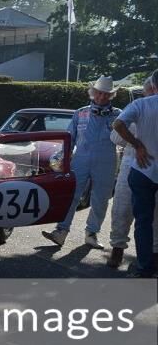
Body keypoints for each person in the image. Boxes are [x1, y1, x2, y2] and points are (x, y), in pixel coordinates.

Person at [43, 76, 121, 249]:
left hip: (107, 159)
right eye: (99, 93)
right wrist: (62, 156)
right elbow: (69, 137)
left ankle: (92, 234)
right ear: (93, 93)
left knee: (101, 198)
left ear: (111, 96)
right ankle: (61, 231)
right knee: (72, 195)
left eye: (106, 94)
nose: (102, 97)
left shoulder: (118, 114)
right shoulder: (80, 112)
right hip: (81, 158)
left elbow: (123, 138)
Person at [107, 79, 158, 268]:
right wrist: (135, 140)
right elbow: (115, 136)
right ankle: (118, 248)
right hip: (132, 161)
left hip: (143, 163)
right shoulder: (137, 107)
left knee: (152, 214)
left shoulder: (139, 107)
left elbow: (116, 132)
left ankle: (150, 255)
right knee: (123, 208)